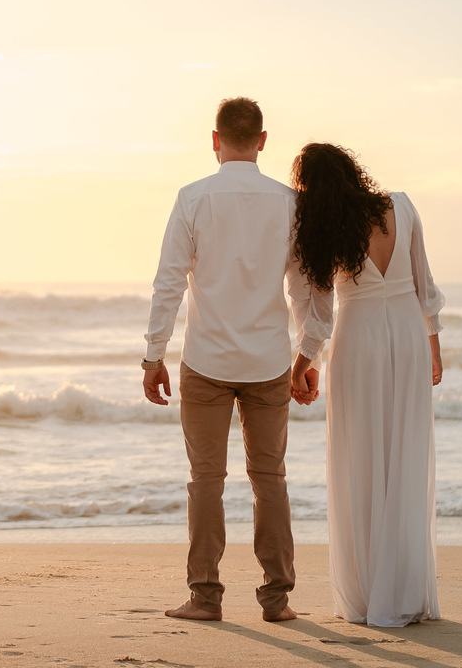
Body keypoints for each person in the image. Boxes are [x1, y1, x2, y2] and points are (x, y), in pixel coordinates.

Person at [142, 97, 318, 623]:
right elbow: (305, 288)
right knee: (271, 480)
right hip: (268, 361)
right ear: (262, 141)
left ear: (214, 140)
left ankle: (205, 597)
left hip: (207, 361)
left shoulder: (193, 198)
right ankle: (277, 600)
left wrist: (153, 355)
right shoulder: (290, 203)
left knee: (205, 481)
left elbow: (169, 281)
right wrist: (309, 354)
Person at [288, 143, 444, 628]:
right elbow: (425, 286)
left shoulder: (323, 228)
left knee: (360, 459)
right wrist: (434, 349)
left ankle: (367, 592)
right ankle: (405, 590)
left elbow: (319, 314)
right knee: (405, 455)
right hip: (407, 337)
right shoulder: (402, 204)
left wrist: (302, 364)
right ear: (353, 170)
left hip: (358, 341)